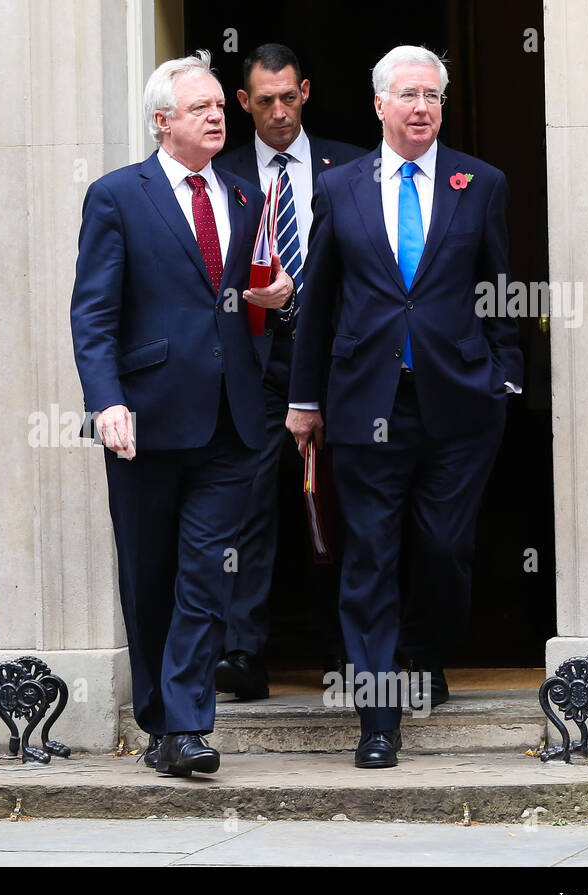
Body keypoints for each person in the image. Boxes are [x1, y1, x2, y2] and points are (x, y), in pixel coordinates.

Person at [285, 46, 522, 768]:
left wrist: (505, 371)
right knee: (369, 557)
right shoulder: (343, 187)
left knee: (445, 548)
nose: (422, 106)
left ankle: (423, 656)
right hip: (364, 403)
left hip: (459, 404)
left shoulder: (480, 183)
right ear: (380, 104)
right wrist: (304, 398)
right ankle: (379, 718)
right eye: (409, 94)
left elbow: (500, 286)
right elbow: (318, 298)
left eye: (434, 95)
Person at [70, 51, 294, 776]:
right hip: (146, 418)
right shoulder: (117, 196)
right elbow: (94, 312)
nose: (216, 117)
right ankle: (160, 723)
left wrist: (279, 302)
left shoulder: (242, 196)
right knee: (149, 572)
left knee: (205, 576)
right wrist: (105, 399)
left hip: (231, 422)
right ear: (163, 123)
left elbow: (254, 301)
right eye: (201, 108)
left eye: (218, 108)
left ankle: (191, 724)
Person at [214, 43, 363, 701]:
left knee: (345, 506)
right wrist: (244, 299)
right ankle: (244, 656)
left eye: (289, 97)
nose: (279, 111)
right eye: (264, 100)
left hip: (338, 363)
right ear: (243, 103)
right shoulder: (221, 174)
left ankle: (351, 655)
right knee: (250, 513)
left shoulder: (355, 166)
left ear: (305, 91)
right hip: (258, 362)